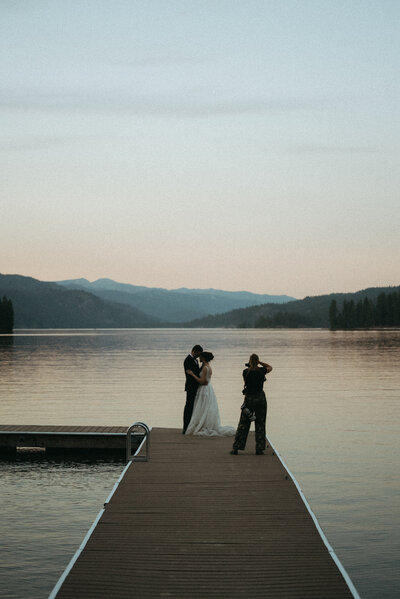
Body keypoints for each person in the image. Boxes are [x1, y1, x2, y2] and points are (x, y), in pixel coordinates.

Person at [185, 351, 235, 437]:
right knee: (205, 408)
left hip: (204, 389)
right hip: (208, 389)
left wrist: (192, 374)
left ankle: (203, 425)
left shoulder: (205, 368)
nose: (199, 358)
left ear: (203, 358)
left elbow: (203, 381)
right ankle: (204, 424)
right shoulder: (208, 367)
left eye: (200, 357)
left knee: (203, 407)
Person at [231, 354, 272, 455]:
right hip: (260, 398)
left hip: (249, 399)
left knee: (243, 424)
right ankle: (259, 448)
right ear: (257, 361)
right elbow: (270, 367)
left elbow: (246, 382)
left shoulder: (246, 372)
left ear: (249, 361)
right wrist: (260, 363)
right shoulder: (261, 371)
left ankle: (236, 447)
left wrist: (251, 365)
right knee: (260, 423)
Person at [183, 345, 203, 434]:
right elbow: (193, 374)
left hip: (195, 386)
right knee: (189, 406)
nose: (199, 357)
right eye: (198, 354)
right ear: (194, 351)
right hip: (191, 387)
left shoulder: (194, 360)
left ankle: (190, 426)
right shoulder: (188, 360)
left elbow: (196, 372)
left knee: (192, 406)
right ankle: (186, 427)